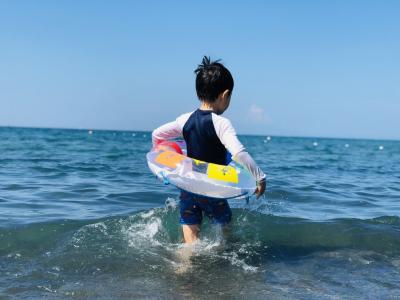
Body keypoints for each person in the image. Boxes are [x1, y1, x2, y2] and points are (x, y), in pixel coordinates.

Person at [152, 56, 266, 243]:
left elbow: (157, 135)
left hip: (188, 188)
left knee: (191, 243)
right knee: (224, 235)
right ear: (225, 95)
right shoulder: (221, 123)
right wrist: (260, 177)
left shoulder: (184, 119)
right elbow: (239, 154)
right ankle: (220, 265)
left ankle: (183, 269)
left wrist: (162, 158)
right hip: (213, 189)